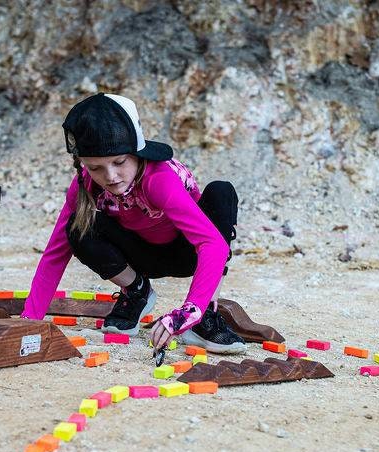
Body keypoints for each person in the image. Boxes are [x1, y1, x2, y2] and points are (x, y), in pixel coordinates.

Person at [20, 93, 246, 355]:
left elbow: (211, 243)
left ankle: (206, 313)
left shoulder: (158, 177)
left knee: (221, 191)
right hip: (140, 257)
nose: (111, 176)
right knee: (76, 225)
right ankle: (136, 291)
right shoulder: (85, 185)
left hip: (190, 254)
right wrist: (29, 321)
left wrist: (188, 312)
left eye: (119, 162)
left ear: (137, 153)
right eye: (95, 168)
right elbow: (55, 255)